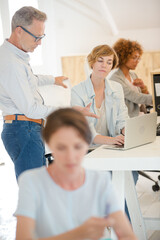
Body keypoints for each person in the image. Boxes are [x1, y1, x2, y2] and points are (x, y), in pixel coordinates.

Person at [0, 6, 97, 180]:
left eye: (41, 37)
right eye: (37, 37)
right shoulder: (12, 63)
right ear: (19, 31)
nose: (40, 42)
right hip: (24, 129)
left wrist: (53, 80)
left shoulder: (15, 57)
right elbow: (31, 109)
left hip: (25, 129)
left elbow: (30, 80)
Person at [15, 108, 137, 240]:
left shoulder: (100, 180)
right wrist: (77, 234)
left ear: (87, 144)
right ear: (49, 144)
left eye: (78, 147)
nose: (70, 157)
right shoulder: (32, 182)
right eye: (61, 148)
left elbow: (126, 234)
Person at [71, 44, 128, 146]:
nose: (104, 65)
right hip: (87, 149)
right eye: (100, 60)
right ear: (92, 63)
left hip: (112, 146)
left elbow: (122, 118)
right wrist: (111, 140)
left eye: (109, 62)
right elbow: (85, 131)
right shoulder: (77, 91)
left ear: (112, 66)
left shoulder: (117, 88)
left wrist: (127, 131)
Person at [109, 38, 152, 117]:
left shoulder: (133, 75)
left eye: (138, 58)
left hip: (142, 116)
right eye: (134, 57)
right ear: (123, 57)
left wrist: (143, 88)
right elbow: (135, 97)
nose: (137, 61)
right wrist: (156, 99)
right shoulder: (115, 79)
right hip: (129, 121)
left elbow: (143, 99)